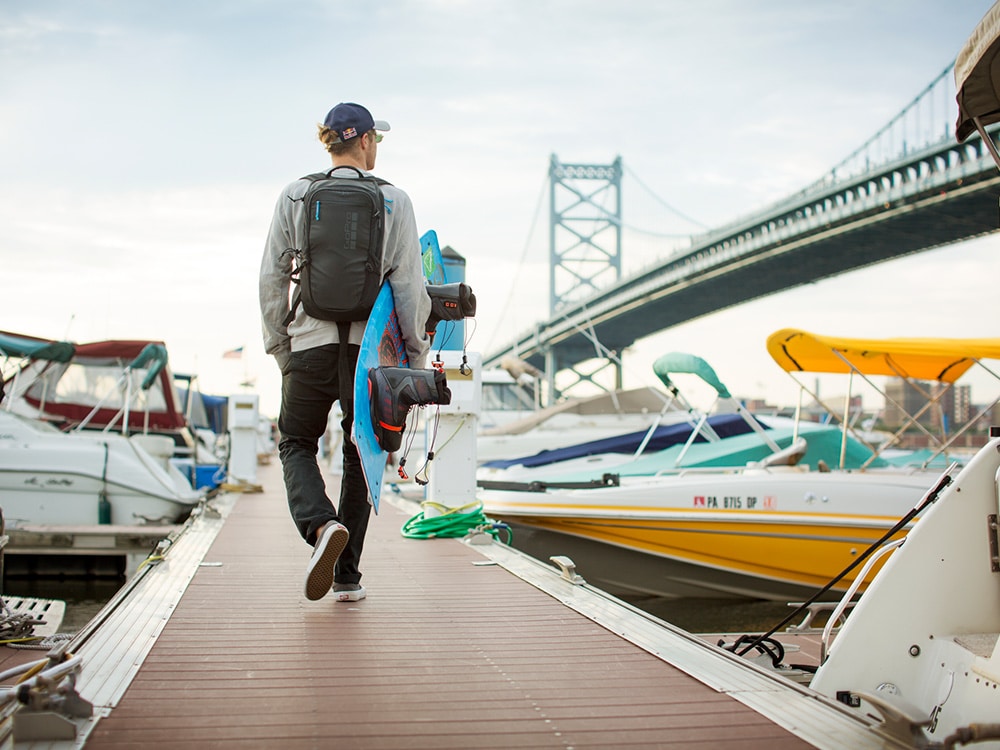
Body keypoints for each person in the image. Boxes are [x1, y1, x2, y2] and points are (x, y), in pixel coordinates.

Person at [259, 102, 431, 602]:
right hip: (367, 356)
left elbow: (272, 275)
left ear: (328, 143)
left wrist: (280, 346)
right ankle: (347, 577)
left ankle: (319, 528)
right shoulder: (395, 201)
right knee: (361, 454)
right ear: (366, 141)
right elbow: (408, 287)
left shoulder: (294, 195)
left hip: (308, 347)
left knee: (294, 441)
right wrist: (414, 359)